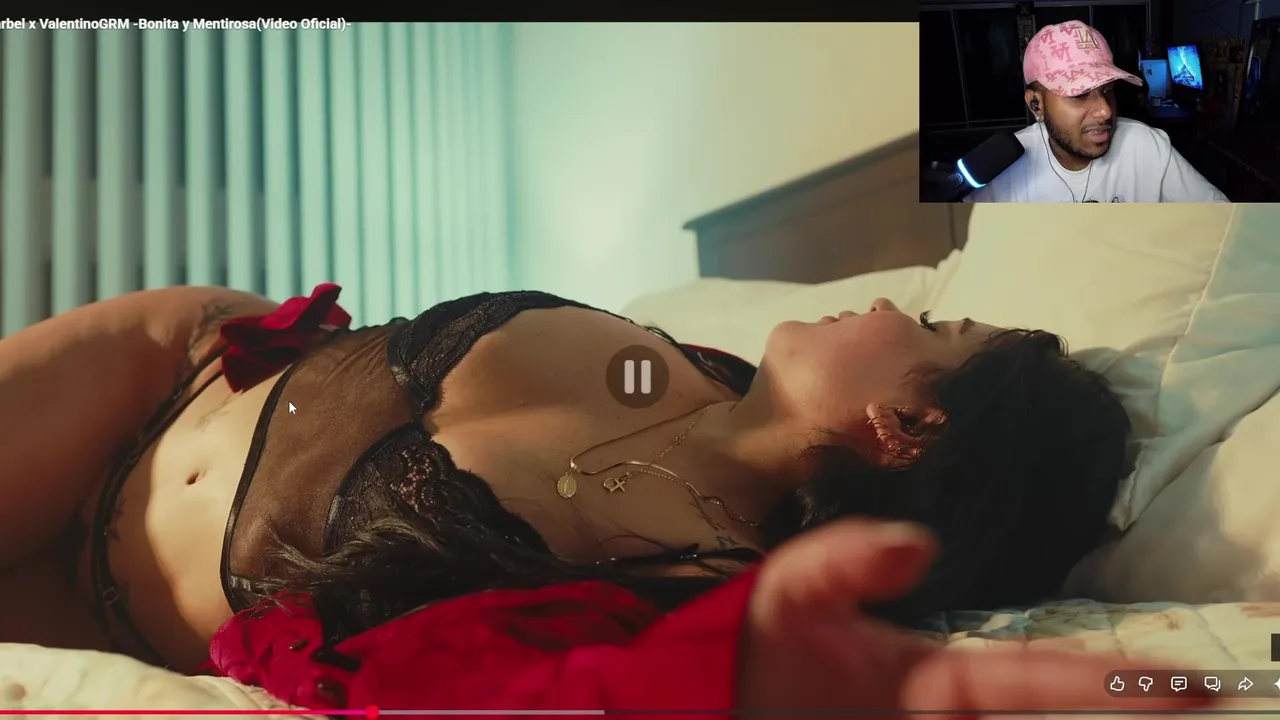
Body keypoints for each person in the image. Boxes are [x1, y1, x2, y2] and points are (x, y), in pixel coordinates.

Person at [0, 283, 1130, 677]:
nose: (884, 303)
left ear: (910, 428)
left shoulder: (691, 585)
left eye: (925, 325)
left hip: (101, 608)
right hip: (165, 365)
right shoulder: (693, 366)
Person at [965, 20, 1228, 203]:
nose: (1105, 111)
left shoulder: (1146, 146)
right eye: (1079, 94)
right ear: (1037, 104)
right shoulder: (1003, 167)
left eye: (1108, 90)